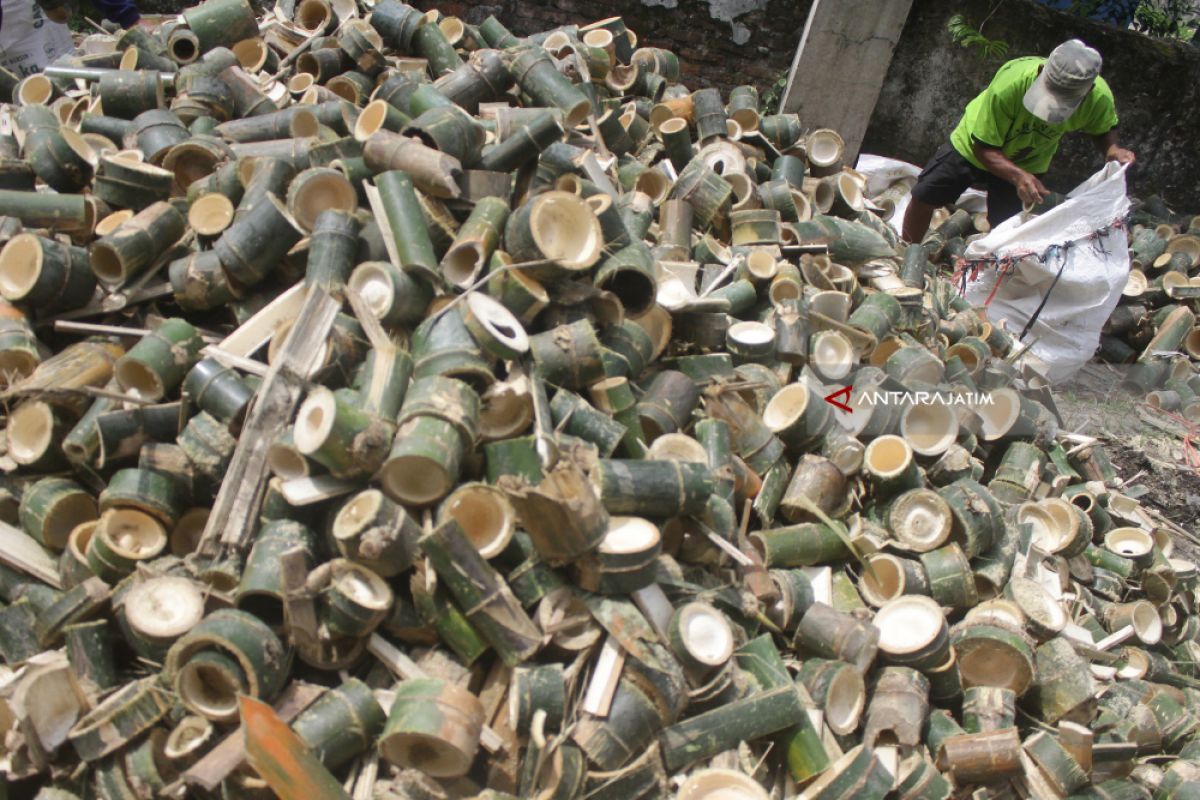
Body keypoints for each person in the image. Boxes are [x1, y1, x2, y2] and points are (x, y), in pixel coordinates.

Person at [901, 39, 1136, 243]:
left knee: (1007, 227)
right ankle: (906, 254)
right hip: (972, 146)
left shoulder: (1099, 99)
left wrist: (1112, 148)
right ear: (1042, 70)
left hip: (1029, 160)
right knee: (925, 195)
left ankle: (987, 273)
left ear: (1088, 90)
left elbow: (1104, 128)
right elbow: (984, 148)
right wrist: (1019, 177)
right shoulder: (1011, 83)